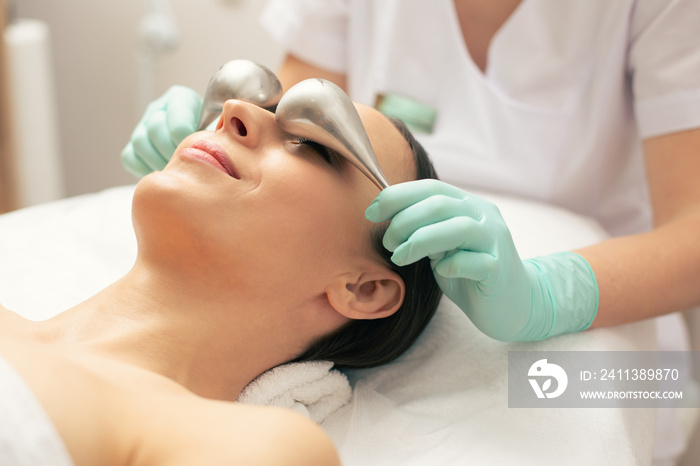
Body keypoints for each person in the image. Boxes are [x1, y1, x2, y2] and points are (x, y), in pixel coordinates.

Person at [121, 0, 700, 345]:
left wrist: (548, 297)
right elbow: (297, 108)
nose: (238, 113)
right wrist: (208, 155)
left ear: (367, 288)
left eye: (324, 152)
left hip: (616, 332)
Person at [0, 96, 442, 465]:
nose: (235, 110)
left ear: (362, 289)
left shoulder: (247, 445)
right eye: (258, 102)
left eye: (311, 142)